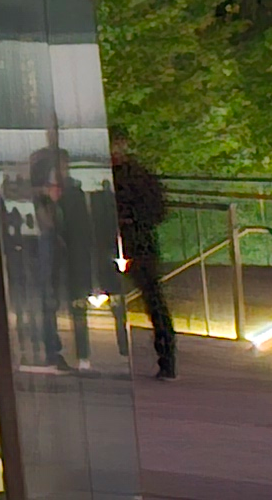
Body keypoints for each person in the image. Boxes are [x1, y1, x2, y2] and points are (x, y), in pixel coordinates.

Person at [113, 136, 175, 380]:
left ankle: (162, 354)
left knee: (149, 297)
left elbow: (157, 209)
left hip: (133, 240)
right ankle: (165, 356)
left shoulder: (127, 178)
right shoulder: (141, 176)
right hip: (138, 240)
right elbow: (158, 209)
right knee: (152, 297)